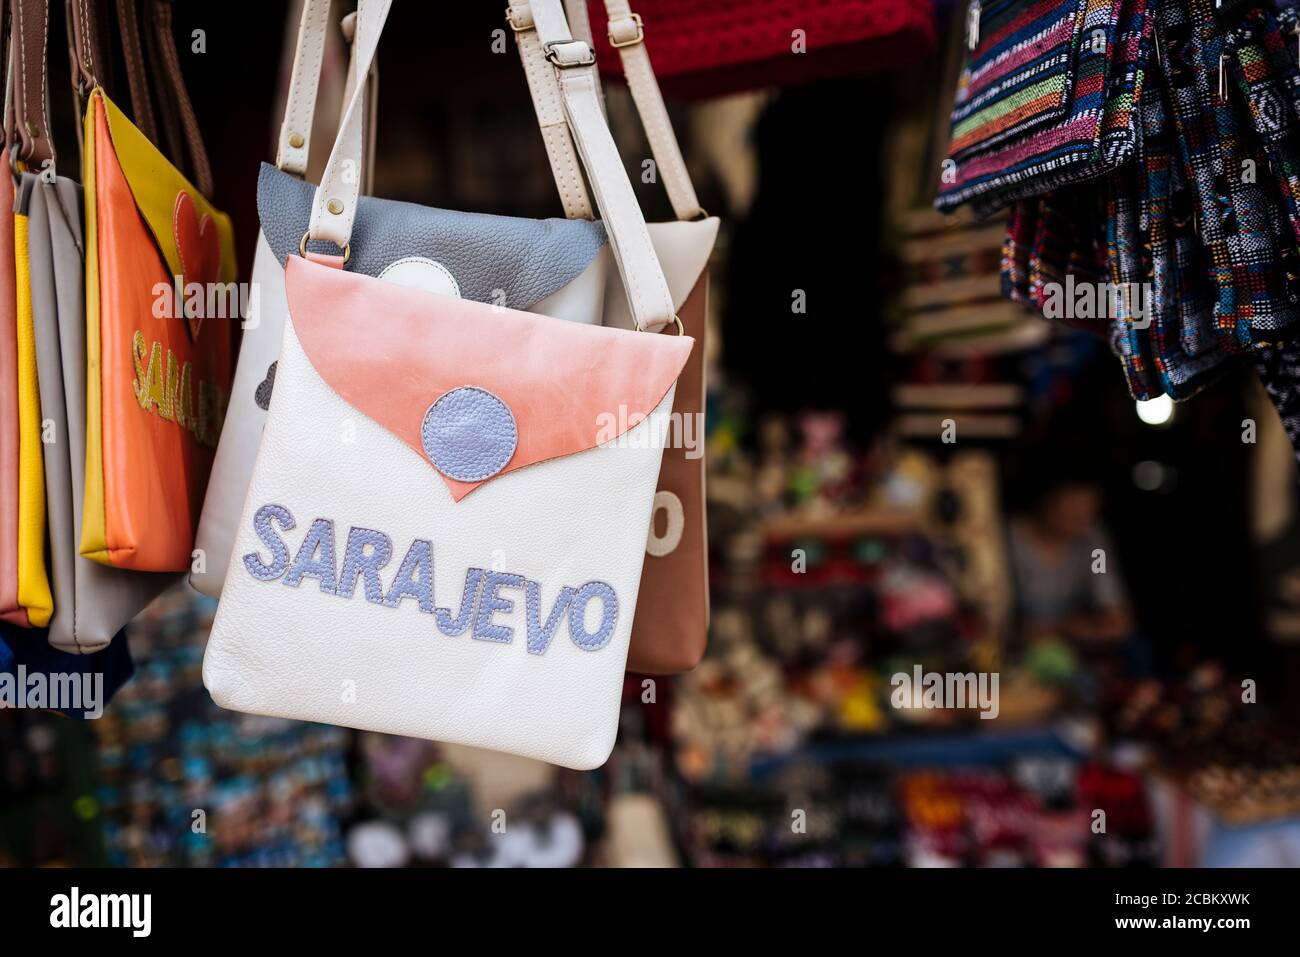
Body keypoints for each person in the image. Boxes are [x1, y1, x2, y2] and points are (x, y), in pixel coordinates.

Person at [1008, 479, 1133, 649]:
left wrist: (1109, 618)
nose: (1079, 515)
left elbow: (1106, 587)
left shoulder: (1093, 542)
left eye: (1088, 509)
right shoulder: (1010, 539)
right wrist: (1060, 628)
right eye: (1071, 502)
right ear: (1047, 498)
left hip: (1074, 643)